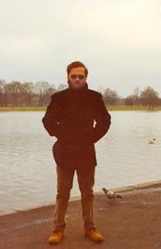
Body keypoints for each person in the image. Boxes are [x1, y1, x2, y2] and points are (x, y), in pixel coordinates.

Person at [42, 61, 111, 244]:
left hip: (86, 151)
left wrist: (92, 137)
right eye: (74, 76)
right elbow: (47, 121)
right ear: (68, 77)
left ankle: (90, 228)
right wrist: (61, 135)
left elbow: (105, 121)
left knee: (87, 193)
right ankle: (58, 230)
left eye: (81, 76)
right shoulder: (59, 98)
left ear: (86, 77)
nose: (77, 79)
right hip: (64, 152)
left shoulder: (95, 98)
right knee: (62, 194)